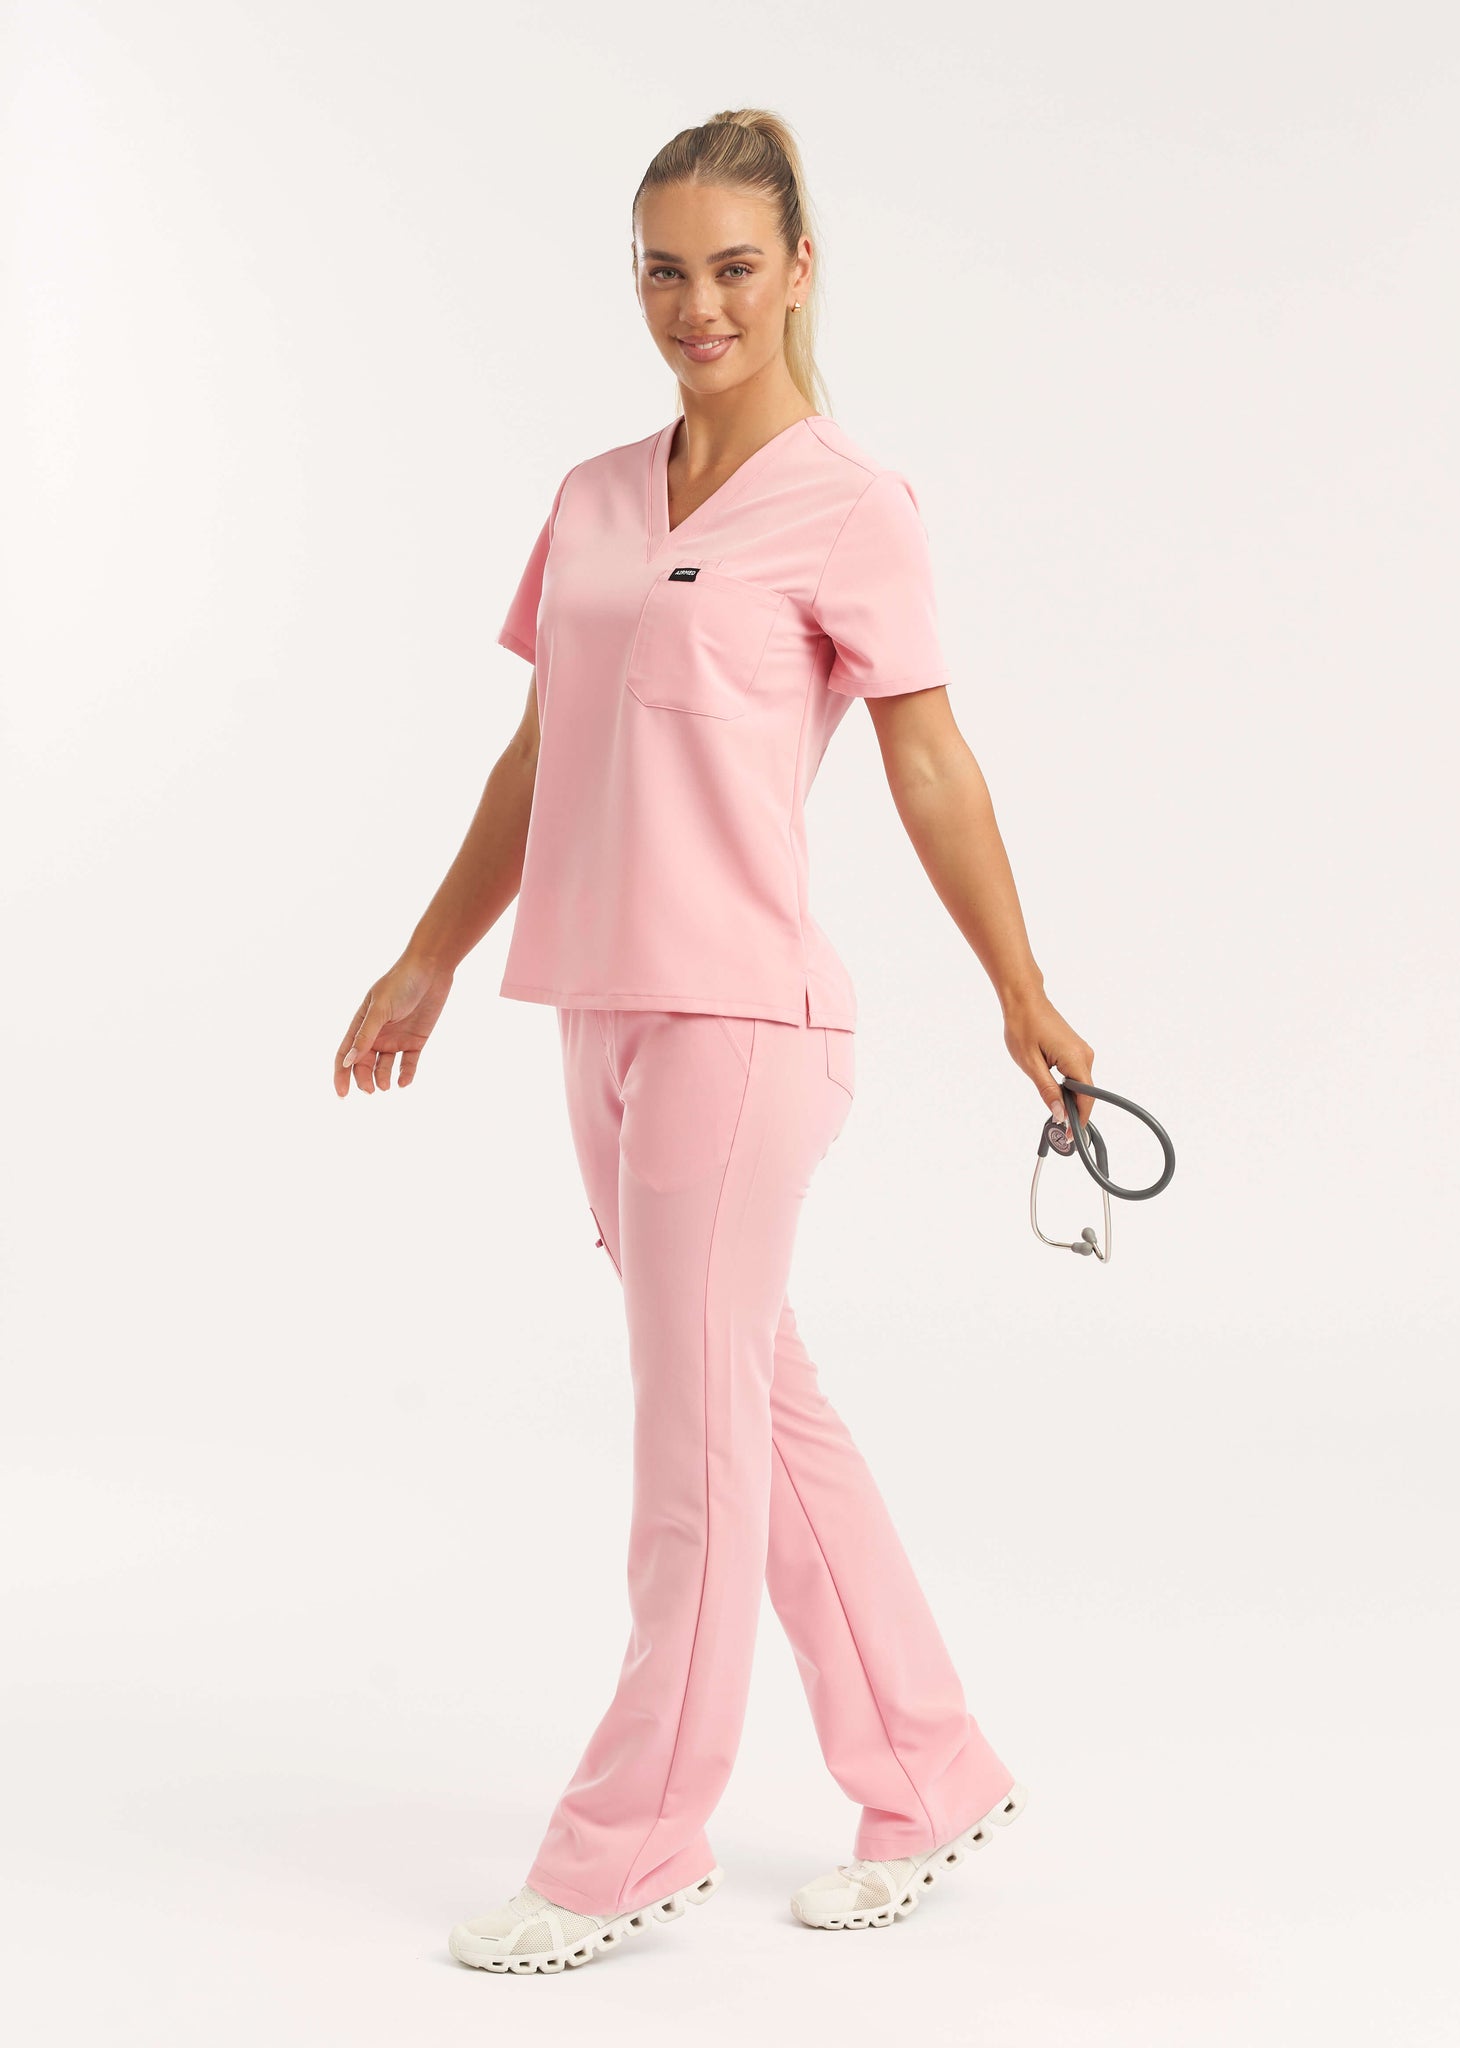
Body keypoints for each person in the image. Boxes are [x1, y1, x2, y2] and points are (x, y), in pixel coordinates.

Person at [334, 107, 1095, 1976]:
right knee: (753, 1399)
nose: (700, 306)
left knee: (691, 1447)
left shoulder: (851, 503)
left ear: (802, 268)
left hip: (744, 1024)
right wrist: (429, 955)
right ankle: (928, 1765)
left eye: (735, 267)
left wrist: (1021, 989)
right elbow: (543, 752)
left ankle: (627, 1848)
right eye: (665, 270)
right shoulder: (595, 495)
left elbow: (931, 760)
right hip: (593, 1007)